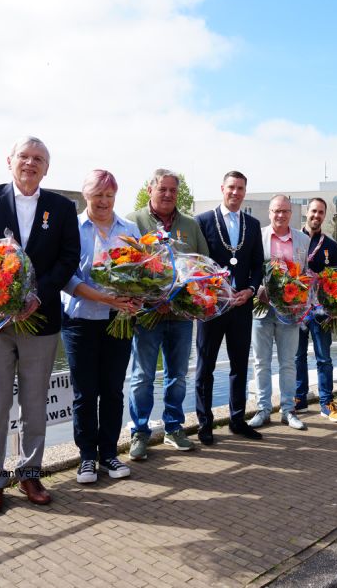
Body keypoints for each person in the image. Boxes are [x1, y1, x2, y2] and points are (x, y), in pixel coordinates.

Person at [0, 136, 80, 515]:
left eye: (38, 158)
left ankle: (30, 474)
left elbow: (69, 258)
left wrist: (37, 294)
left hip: (41, 321)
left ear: (47, 168)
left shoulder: (62, 207)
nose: (30, 163)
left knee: (35, 403)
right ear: (9, 161)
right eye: (23, 156)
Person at [61, 170, 141, 484]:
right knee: (85, 393)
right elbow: (67, 278)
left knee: (112, 390)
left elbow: (144, 271)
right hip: (80, 321)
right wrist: (105, 297)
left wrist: (139, 296)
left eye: (109, 195)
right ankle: (86, 457)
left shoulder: (130, 229)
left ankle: (108, 453)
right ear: (86, 195)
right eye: (98, 195)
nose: (104, 201)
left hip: (117, 321)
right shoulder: (72, 228)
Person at [126, 169, 209, 460]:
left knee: (178, 376)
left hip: (181, 316)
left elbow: (203, 266)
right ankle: (140, 431)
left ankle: (173, 427)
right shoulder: (133, 222)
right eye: (163, 189)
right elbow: (125, 268)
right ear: (150, 189)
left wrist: (187, 298)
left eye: (173, 190)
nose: (168, 194)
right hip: (147, 316)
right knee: (142, 376)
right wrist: (152, 298)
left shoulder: (190, 225)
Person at [194, 171, 264, 445]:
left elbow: (257, 264)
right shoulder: (203, 221)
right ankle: (205, 423)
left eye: (241, 188)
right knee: (205, 367)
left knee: (239, 366)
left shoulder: (253, 224)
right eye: (231, 187)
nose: (236, 192)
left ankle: (237, 420)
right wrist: (215, 292)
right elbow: (198, 264)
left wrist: (251, 290)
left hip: (241, 306)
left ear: (245, 191)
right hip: (212, 307)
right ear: (222, 188)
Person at [248, 195, 311, 431]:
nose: (280, 215)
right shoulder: (258, 236)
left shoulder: (303, 240)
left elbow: (304, 272)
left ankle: (288, 410)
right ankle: (263, 409)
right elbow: (251, 269)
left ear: (291, 214)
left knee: (288, 363)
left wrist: (301, 296)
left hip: (290, 311)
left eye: (285, 211)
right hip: (261, 309)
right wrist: (257, 289)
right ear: (269, 213)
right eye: (276, 210)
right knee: (261, 362)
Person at [294, 197, 337, 423]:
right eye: (313, 211)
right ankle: (299, 397)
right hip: (296, 308)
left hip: (322, 311)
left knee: (324, 358)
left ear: (325, 215)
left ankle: (326, 402)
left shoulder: (331, 246)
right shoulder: (294, 239)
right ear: (307, 212)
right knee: (297, 356)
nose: (316, 216)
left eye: (321, 212)